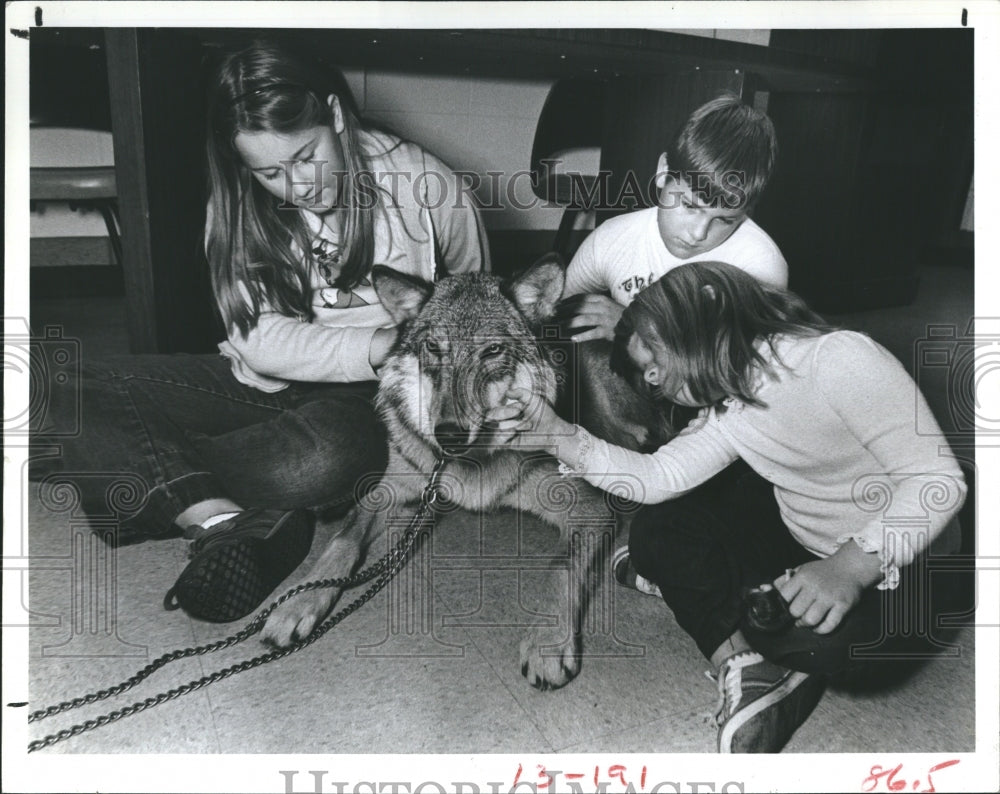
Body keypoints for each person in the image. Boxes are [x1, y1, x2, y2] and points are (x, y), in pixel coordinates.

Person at [31, 40, 489, 621]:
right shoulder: (238, 204)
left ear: (335, 115)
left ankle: (133, 467)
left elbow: (479, 301)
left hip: (366, 403)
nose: (298, 186)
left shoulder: (426, 184)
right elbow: (256, 338)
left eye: (305, 156)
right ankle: (216, 514)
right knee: (54, 384)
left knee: (326, 459)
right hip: (261, 380)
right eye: (271, 172)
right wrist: (373, 344)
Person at [491, 261, 967, 753]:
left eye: (652, 352)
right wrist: (558, 435)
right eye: (647, 375)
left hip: (906, 562)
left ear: (710, 302)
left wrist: (849, 567)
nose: (651, 377)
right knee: (654, 534)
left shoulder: (837, 358)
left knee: (848, 656)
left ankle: (727, 601)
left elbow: (939, 482)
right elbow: (658, 477)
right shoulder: (724, 407)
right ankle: (748, 657)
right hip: (804, 541)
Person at [561, 94, 787, 343]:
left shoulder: (759, 266)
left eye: (725, 220)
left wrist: (632, 327)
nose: (698, 233)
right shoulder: (611, 239)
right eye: (690, 205)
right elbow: (553, 314)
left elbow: (737, 362)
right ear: (664, 170)